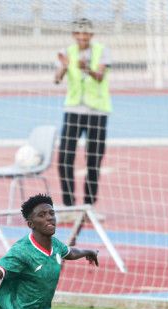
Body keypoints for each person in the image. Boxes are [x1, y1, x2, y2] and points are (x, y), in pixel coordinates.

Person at [54, 18, 111, 209]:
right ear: (74, 35)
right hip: (74, 110)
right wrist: (63, 66)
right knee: (64, 158)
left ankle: (89, 205)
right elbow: (57, 79)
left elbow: (101, 76)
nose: (82, 37)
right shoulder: (67, 52)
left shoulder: (101, 50)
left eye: (85, 33)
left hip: (97, 112)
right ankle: (69, 205)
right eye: (78, 33)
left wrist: (86, 68)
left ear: (91, 35)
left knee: (93, 159)